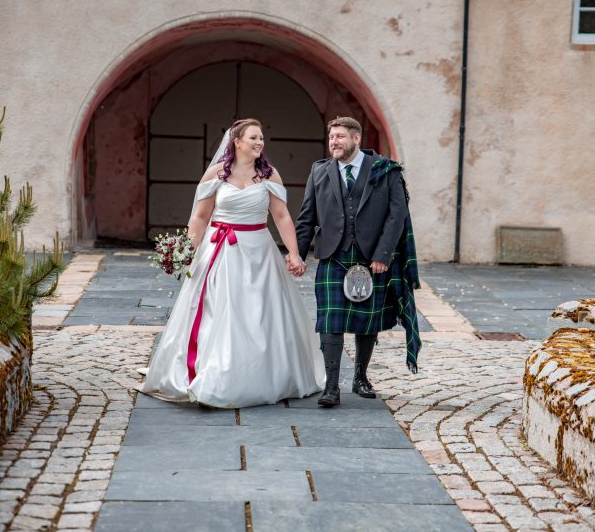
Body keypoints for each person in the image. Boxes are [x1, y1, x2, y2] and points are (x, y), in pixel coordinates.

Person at [139, 118, 325, 408]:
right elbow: (200, 217)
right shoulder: (215, 174)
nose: (259, 142)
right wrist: (187, 251)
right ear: (236, 142)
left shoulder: (269, 175)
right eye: (253, 138)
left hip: (258, 252)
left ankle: (259, 377)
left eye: (261, 138)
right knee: (218, 312)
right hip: (220, 251)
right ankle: (213, 375)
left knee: (259, 314)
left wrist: (295, 253)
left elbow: (282, 216)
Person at [293, 116, 419, 408]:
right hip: (333, 256)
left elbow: (396, 215)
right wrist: (297, 253)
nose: (334, 142)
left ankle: (361, 377)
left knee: (367, 321)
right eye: (331, 137)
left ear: (356, 139)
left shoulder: (385, 171)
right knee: (330, 321)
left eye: (340, 137)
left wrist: (383, 255)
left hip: (371, 257)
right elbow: (307, 217)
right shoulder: (320, 171)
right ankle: (332, 386)